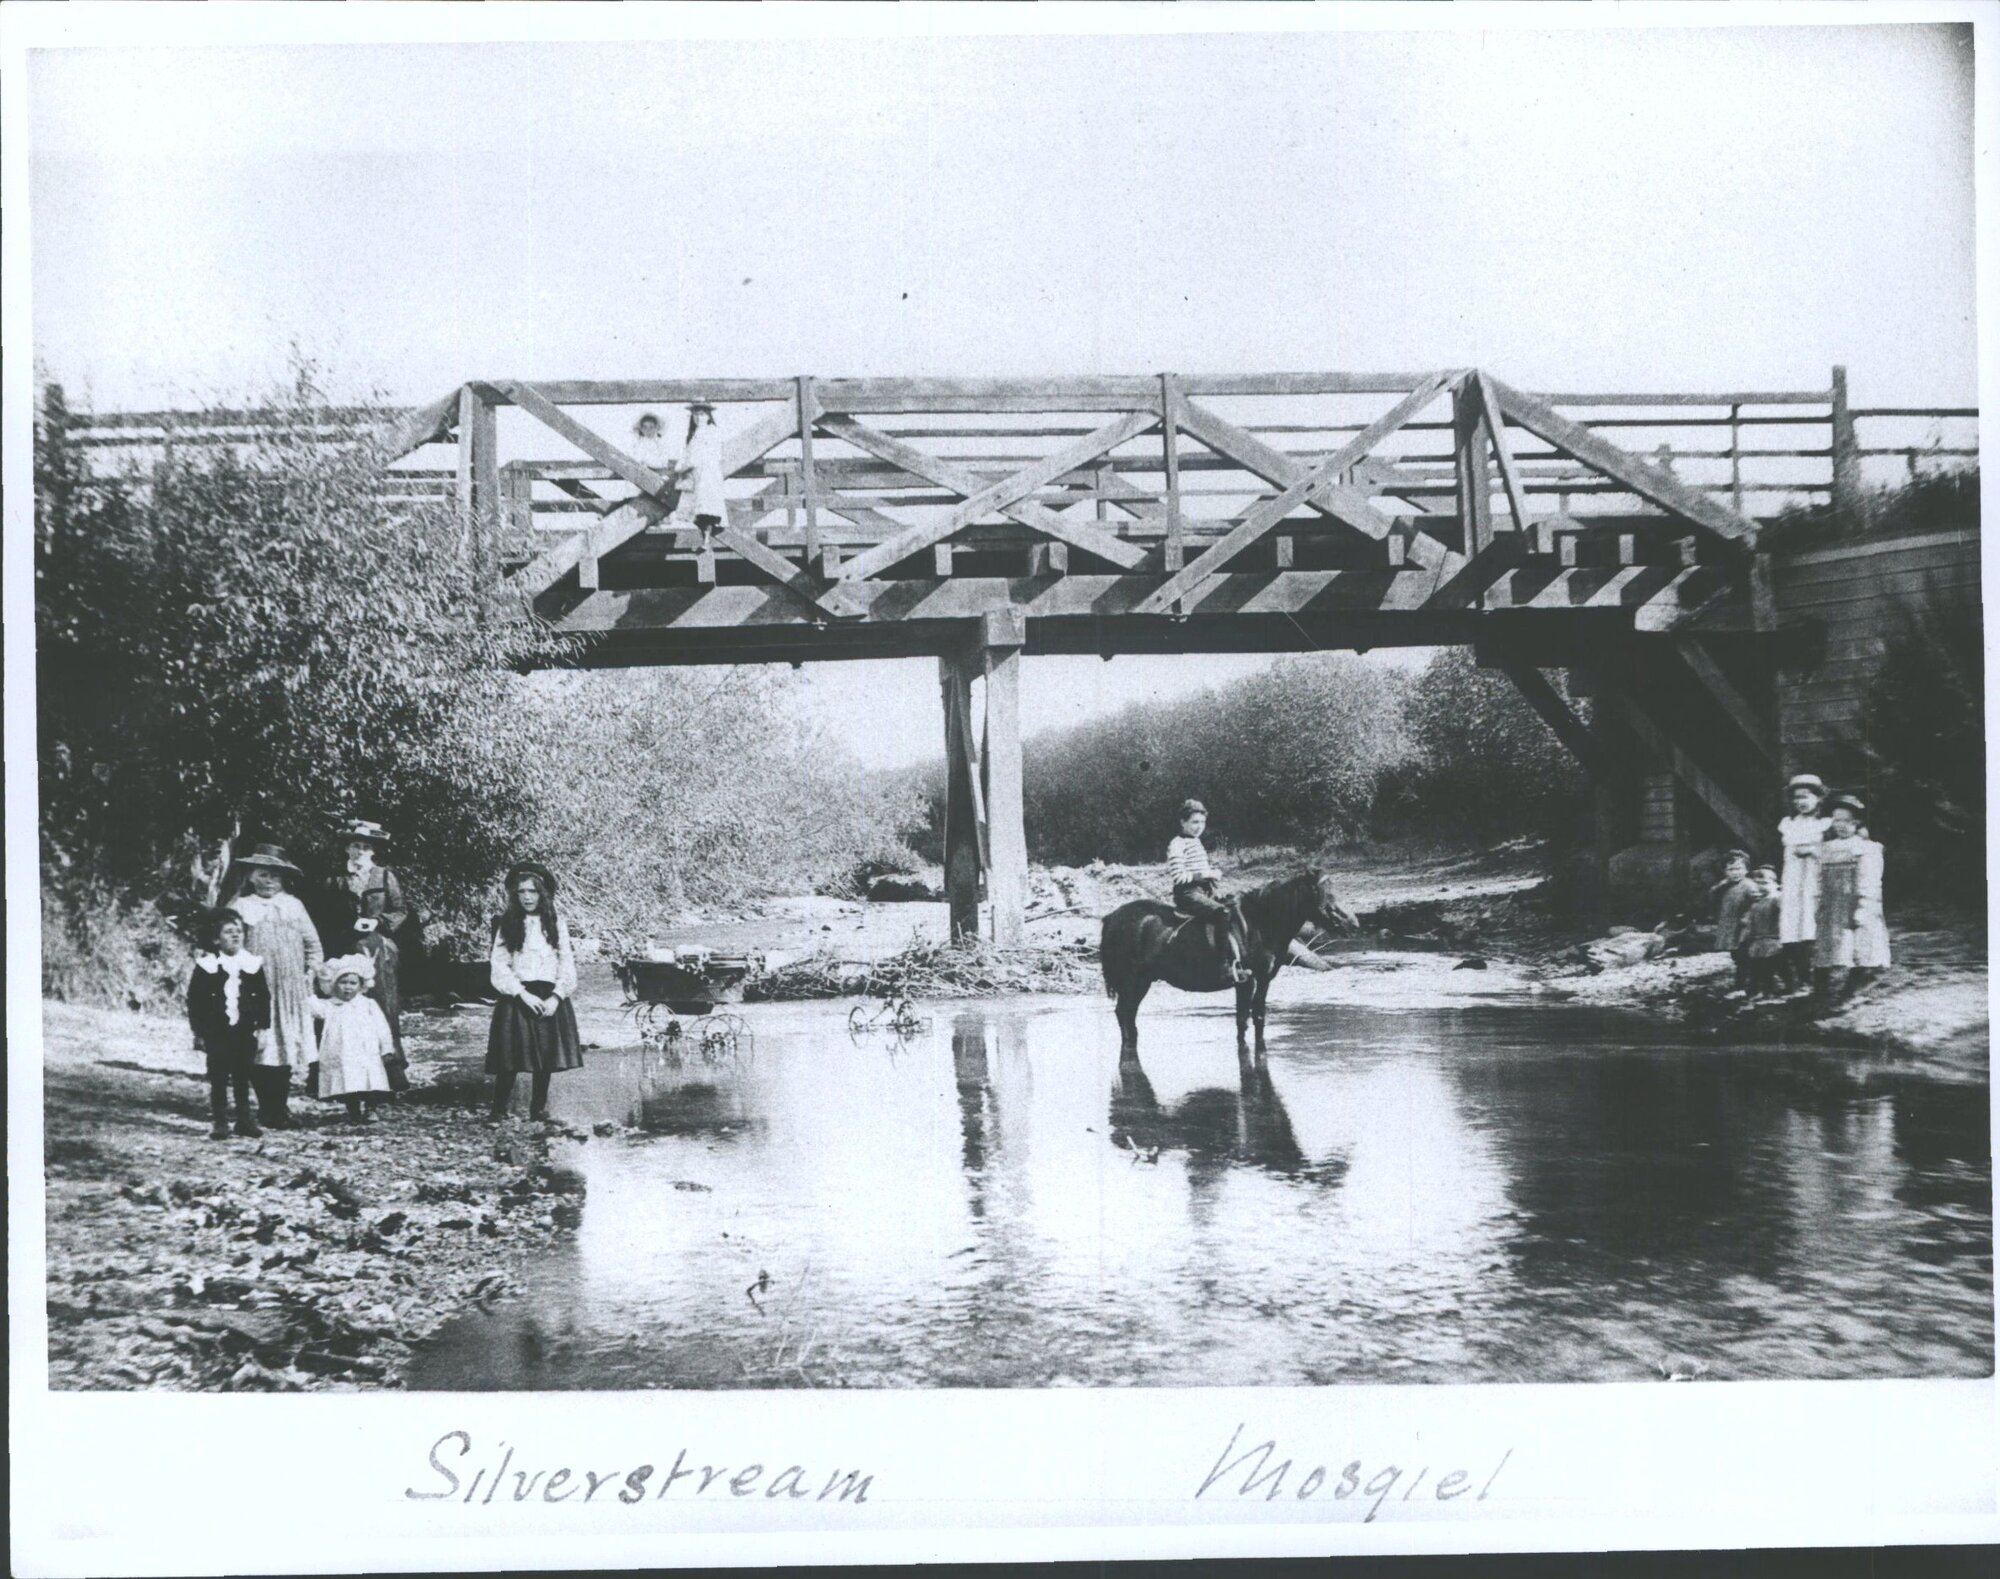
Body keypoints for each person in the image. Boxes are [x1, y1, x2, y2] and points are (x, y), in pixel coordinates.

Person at [227, 844, 322, 1130]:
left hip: (289, 990)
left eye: (275, 876)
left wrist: (310, 972)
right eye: (263, 874)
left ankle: (279, 1107)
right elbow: (227, 945)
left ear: (284, 880)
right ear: (251, 876)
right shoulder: (240, 907)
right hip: (255, 989)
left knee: (285, 1047)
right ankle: (266, 1107)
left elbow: (313, 945)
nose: (269, 881)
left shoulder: (294, 905)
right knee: (259, 1046)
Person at [487, 861, 583, 1122]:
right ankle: (498, 1109)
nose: (527, 897)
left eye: (533, 891)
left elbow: (566, 962)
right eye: (522, 892)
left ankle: (538, 1108)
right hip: (518, 994)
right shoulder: (508, 923)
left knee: (546, 1054)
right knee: (510, 1056)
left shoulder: (556, 923)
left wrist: (557, 996)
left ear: (543, 893)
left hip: (548, 994)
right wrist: (520, 993)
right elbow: (499, 964)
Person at [321, 819, 411, 1074]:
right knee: (344, 1007)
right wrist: (346, 924)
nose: (360, 851)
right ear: (347, 849)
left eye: (365, 847)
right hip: (344, 947)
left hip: (378, 949)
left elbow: (400, 910)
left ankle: (391, 1069)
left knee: (382, 1006)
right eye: (355, 846)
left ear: (373, 851)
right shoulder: (335, 879)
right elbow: (324, 915)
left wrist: (377, 922)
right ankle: (344, 1070)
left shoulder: (384, 876)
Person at [186, 908, 273, 1140]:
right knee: (219, 1076)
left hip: (244, 1028)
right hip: (217, 1030)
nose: (235, 935)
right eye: (228, 932)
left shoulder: (252, 964)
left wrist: (263, 1027)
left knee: (243, 1075)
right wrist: (198, 1031)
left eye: (239, 931)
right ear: (216, 939)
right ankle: (220, 1120)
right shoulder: (207, 965)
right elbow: (195, 1000)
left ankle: (244, 1119)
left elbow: (263, 997)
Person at [1814, 796, 1891, 1006]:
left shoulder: (1866, 848)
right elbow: (1819, 878)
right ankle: (1821, 992)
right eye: (1836, 820)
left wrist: (1863, 906)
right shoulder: (1826, 848)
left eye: (1847, 821)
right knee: (1830, 946)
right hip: (1832, 904)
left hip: (1856, 902)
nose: (1841, 825)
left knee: (1861, 945)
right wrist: (1818, 901)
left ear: (1857, 823)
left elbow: (1869, 880)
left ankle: (1854, 987)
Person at [1166, 799, 1248, 984]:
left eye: (1202, 822)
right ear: (1183, 822)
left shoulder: (1195, 841)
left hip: (1204, 891)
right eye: (1194, 822)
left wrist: (1212, 875)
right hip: (1188, 894)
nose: (1199, 827)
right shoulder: (1177, 843)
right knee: (1222, 913)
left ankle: (1240, 958)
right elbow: (1179, 876)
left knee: (1235, 905)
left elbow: (1199, 870)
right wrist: (1207, 874)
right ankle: (1222, 966)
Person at [310, 954, 396, 1124]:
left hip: (366, 1051)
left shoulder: (368, 1004)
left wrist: (386, 1047)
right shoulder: (329, 1005)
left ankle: (371, 1108)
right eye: (343, 982)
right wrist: (307, 988)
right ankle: (353, 1110)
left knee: (370, 1079)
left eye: (352, 983)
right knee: (348, 1082)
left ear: (361, 985)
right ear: (333, 984)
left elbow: (382, 1027)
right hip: (342, 1052)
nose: (348, 987)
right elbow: (311, 1007)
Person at [1777, 773, 1831, 995]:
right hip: (1793, 880)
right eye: (1797, 797)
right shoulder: (1788, 824)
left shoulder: (1825, 824)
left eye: (1806, 796)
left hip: (1815, 879)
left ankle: (1820, 979)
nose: (1801, 801)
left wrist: (1812, 850)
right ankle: (1801, 977)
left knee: (1813, 925)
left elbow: (1834, 851)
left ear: (1818, 798)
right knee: (1792, 927)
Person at [1709, 849, 1758, 993]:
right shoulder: (1725, 886)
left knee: (1744, 955)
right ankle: (1742, 981)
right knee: (1736, 955)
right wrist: (1719, 887)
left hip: (1745, 927)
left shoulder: (1749, 885)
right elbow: (1713, 896)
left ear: (1746, 869)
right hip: (1731, 926)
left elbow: (1757, 903)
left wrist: (1748, 917)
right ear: (1725, 871)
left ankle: (1745, 984)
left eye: (1739, 868)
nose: (1735, 872)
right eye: (1731, 869)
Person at [681, 402, 727, 541]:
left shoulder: (712, 431)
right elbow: (689, 455)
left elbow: (715, 453)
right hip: (696, 474)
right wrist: (683, 466)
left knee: (707, 507)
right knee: (696, 509)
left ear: (708, 416)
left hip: (708, 474)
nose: (698, 417)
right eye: (695, 414)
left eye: (701, 414)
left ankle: (707, 538)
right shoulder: (693, 434)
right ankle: (705, 538)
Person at [1741, 865, 1786, 1000]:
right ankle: (1755, 991)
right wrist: (1745, 933)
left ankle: (1771, 990)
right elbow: (1749, 921)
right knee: (1755, 967)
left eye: (1765, 883)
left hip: (1773, 939)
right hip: (1757, 940)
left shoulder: (1777, 899)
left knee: (1770, 966)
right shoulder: (1756, 903)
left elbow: (1785, 916)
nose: (1761, 887)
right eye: (1757, 884)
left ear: (1776, 884)